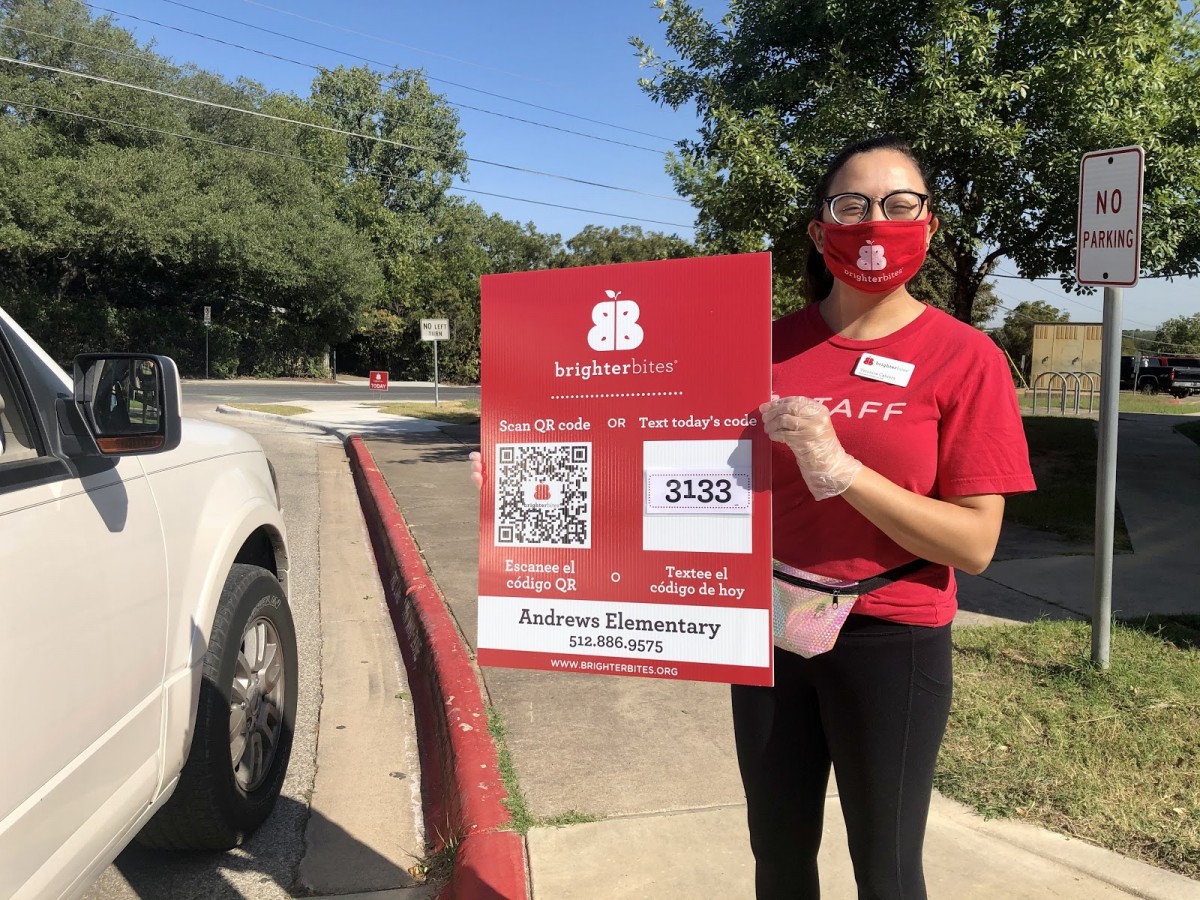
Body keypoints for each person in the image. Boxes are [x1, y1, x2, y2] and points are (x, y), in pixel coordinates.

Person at [746, 134, 1035, 900]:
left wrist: (843, 471)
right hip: (767, 628)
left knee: (887, 868)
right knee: (776, 856)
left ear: (929, 224)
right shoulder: (760, 348)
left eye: (898, 205)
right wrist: (543, 485)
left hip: (891, 633)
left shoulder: (965, 357)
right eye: (851, 205)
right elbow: (679, 473)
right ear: (818, 228)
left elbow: (974, 544)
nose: (875, 223)